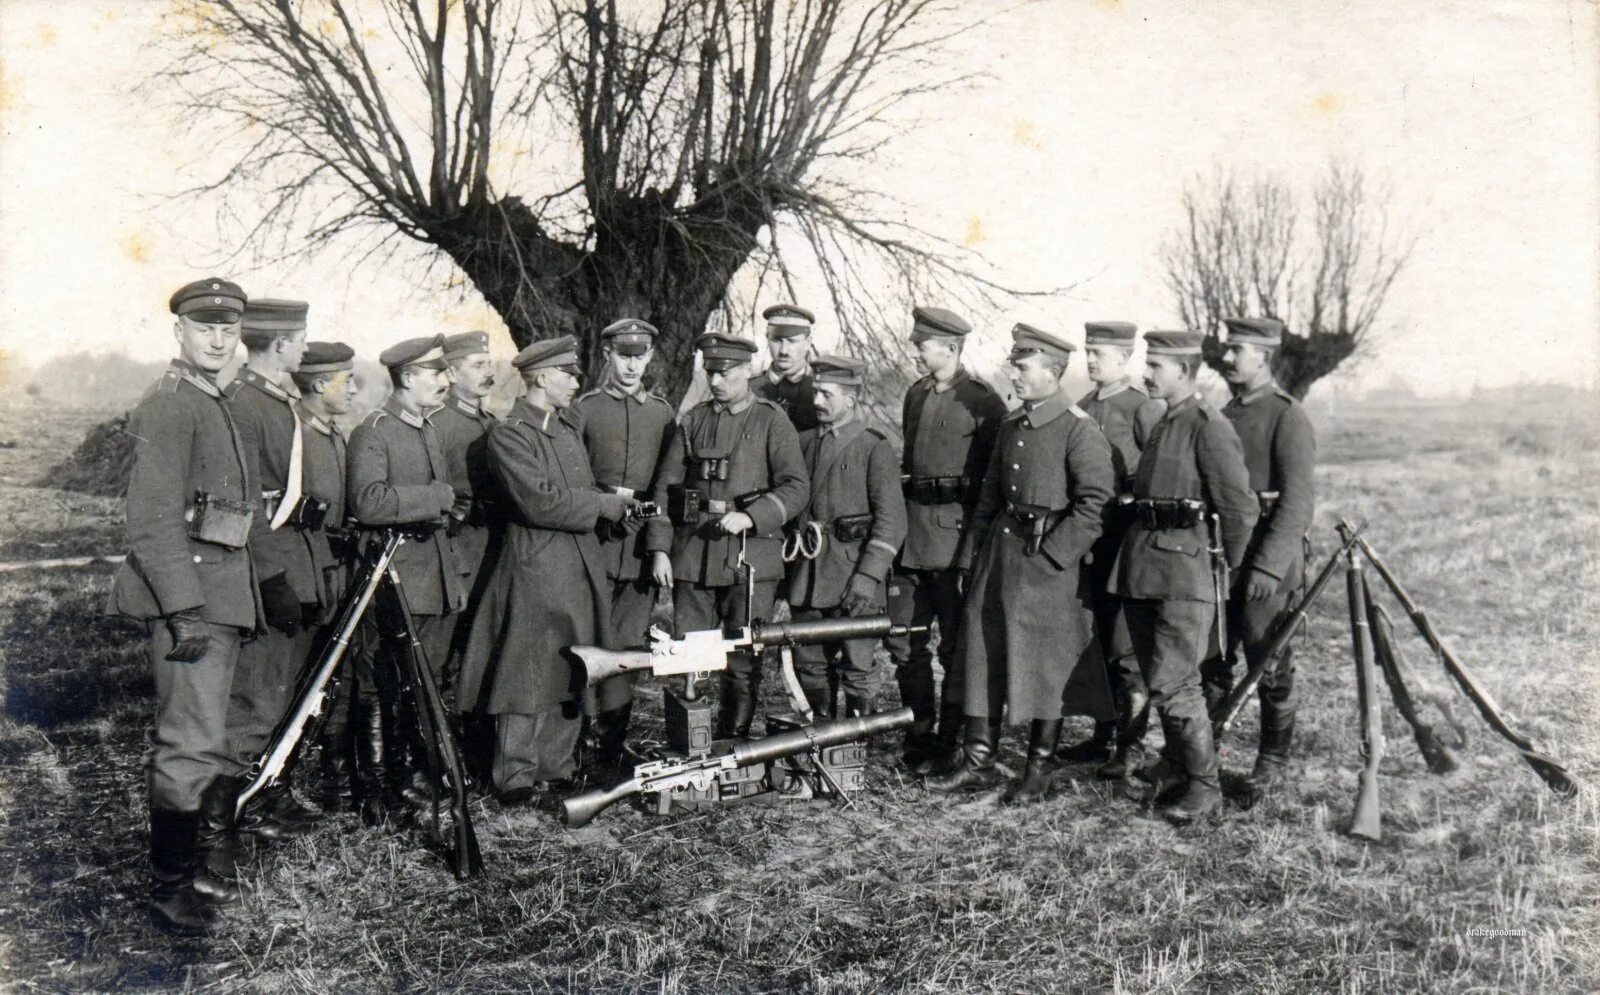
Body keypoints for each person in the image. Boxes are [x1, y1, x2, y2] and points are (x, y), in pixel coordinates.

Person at [107, 277, 257, 935]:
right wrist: (183, 609)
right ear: (180, 333)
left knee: (208, 738)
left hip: (221, 595)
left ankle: (197, 868)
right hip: (192, 601)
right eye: (205, 328)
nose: (218, 339)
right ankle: (168, 888)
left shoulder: (215, 398)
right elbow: (151, 520)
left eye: (228, 329)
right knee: (188, 743)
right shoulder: (171, 405)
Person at [927, 324, 1115, 803]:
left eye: (1023, 366)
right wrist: (972, 556)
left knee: (1046, 666)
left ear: (1052, 372)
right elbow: (990, 496)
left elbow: (1095, 504)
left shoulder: (1078, 429)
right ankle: (978, 761)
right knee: (982, 652)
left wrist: (1054, 556)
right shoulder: (1013, 425)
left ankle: (1039, 769)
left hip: (1049, 564)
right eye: (1014, 364)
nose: (1015, 373)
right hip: (1000, 557)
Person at [456, 336, 633, 804]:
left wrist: (614, 512)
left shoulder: (565, 430)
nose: (576, 382)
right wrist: (603, 504)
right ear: (540, 377)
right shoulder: (510, 432)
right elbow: (539, 502)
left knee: (572, 670)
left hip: (576, 568)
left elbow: (577, 496)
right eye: (568, 374)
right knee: (525, 674)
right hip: (535, 570)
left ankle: (556, 768)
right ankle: (515, 775)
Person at [1108, 330, 1258, 824]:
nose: (1146, 374)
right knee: (1157, 678)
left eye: (1156, 366)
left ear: (1185, 372)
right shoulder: (1161, 421)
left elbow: (1239, 508)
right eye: (1147, 364)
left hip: (1185, 573)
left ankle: (1204, 786)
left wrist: (1221, 567)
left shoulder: (1206, 425)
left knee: (1176, 684)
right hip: (1145, 566)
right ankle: (1175, 768)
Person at [645, 333, 809, 739]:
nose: (716, 381)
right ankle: (693, 746)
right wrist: (660, 549)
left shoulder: (772, 420)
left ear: (747, 370)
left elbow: (795, 487)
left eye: (726, 372)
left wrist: (752, 517)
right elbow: (666, 489)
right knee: (693, 654)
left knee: (741, 658)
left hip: (748, 559)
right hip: (694, 554)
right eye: (710, 372)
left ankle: (733, 743)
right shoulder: (693, 421)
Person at [345, 334, 462, 820]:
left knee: (425, 680)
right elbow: (368, 502)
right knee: (387, 681)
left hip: (433, 575)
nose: (446, 381)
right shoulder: (374, 430)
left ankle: (416, 771)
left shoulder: (427, 427)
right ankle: (381, 786)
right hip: (396, 576)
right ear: (408, 377)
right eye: (437, 373)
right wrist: (435, 497)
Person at [887, 306, 1007, 772]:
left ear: (951, 347)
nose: (916, 350)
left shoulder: (983, 402)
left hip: (955, 542)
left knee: (954, 646)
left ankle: (952, 740)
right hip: (912, 539)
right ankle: (919, 734)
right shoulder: (915, 395)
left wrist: (970, 554)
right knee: (905, 643)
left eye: (924, 344)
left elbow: (990, 484)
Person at [221, 298, 323, 842]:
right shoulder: (243, 402)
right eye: (301, 338)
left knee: (284, 689)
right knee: (257, 692)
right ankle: (241, 801)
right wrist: (270, 577)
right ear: (281, 343)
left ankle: (269, 788)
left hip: (294, 561)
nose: (305, 347)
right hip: (266, 568)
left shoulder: (273, 399)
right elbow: (244, 502)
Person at [1200, 316, 1316, 788]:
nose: (1226, 359)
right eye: (1227, 351)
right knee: (1212, 659)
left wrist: (1268, 566)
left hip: (1266, 560)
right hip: (1219, 559)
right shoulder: (1225, 414)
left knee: (1268, 663)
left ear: (1263, 356)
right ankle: (1200, 757)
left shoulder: (1287, 415)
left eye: (1236, 351)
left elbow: (1297, 502)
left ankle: (1271, 762)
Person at [570, 318, 677, 771]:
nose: (631, 365)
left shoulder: (663, 414)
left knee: (625, 648)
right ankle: (574, 747)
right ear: (607, 356)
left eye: (639, 356)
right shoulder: (584, 410)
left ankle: (610, 750)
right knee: (581, 640)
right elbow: (571, 478)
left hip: (636, 553)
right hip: (592, 543)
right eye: (622, 355)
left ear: (650, 357)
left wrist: (658, 546)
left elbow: (667, 488)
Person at [783, 354, 907, 718]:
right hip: (809, 573)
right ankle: (820, 740)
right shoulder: (802, 443)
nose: (817, 401)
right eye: (816, 393)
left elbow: (892, 521)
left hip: (855, 577)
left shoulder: (873, 447)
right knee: (809, 662)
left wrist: (868, 578)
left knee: (858, 664)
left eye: (828, 394)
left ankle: (855, 749)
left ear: (851, 398)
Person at [1071, 321, 1165, 775]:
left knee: (1127, 648)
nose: (1091, 361)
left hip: (1128, 541)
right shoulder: (1084, 407)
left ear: (1124, 359)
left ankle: (1131, 747)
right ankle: (1102, 735)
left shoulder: (1142, 408)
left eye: (1100, 354)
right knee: (1099, 639)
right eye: (1088, 352)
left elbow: (1158, 476)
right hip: (1094, 539)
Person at [282, 342, 361, 811]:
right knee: (292, 680)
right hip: (302, 578)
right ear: (317, 384)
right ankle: (276, 782)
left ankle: (333, 776)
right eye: (345, 380)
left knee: (334, 675)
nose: (354, 388)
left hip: (335, 575)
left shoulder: (334, 433)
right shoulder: (296, 435)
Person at [429, 331, 500, 687]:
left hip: (490, 552)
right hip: (454, 556)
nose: (488, 371)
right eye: (477, 365)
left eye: (489, 363)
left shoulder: (493, 424)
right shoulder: (437, 423)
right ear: (453, 374)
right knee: (440, 653)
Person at [754, 303, 820, 432]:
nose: (784, 351)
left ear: (808, 343)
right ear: (767, 339)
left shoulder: (822, 391)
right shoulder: (748, 390)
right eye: (777, 340)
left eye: (792, 341)